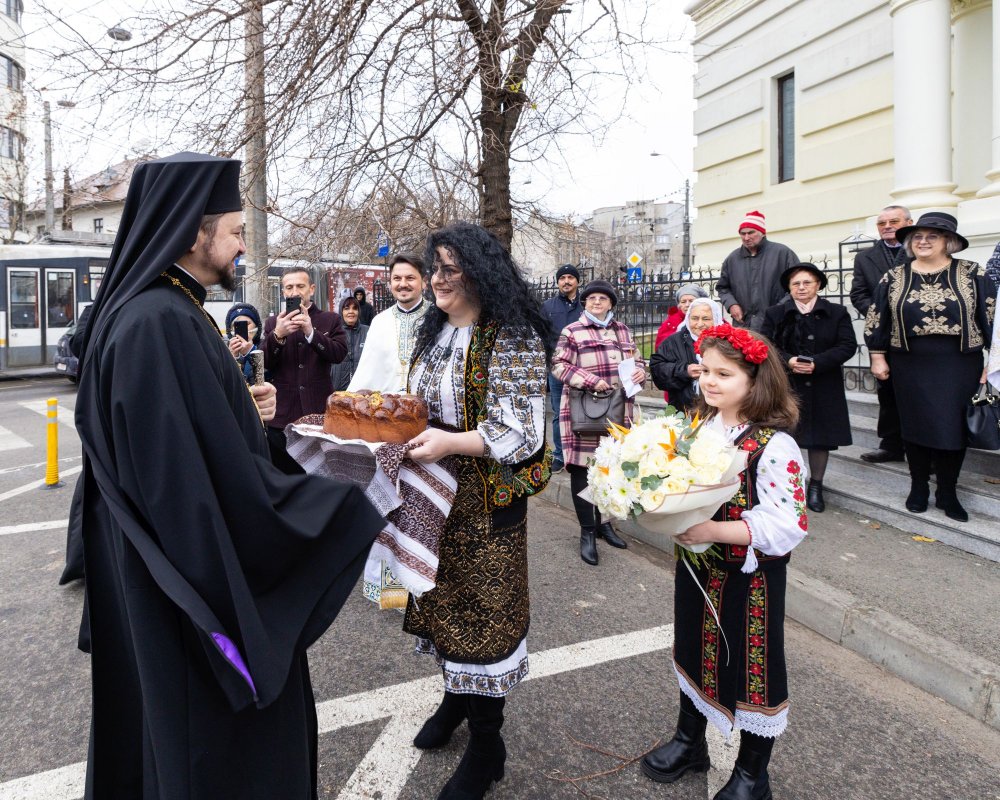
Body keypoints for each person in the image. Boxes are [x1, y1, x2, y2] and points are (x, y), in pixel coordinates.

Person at [72, 152, 384, 799]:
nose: (243, 245)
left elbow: (179, 445)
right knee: (211, 756)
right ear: (194, 231)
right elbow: (187, 490)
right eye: (236, 230)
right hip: (190, 603)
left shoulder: (163, 311)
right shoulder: (159, 322)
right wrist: (334, 507)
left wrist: (243, 413)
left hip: (163, 582)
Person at [403, 222, 551, 800]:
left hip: (488, 501)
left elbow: (520, 430)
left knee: (483, 616)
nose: (436, 279)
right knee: (440, 605)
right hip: (432, 493)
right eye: (433, 267)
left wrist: (448, 442)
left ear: (479, 273)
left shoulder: (509, 337)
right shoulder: (433, 330)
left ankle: (488, 745)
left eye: (448, 268)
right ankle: (455, 699)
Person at [640, 324, 805, 800]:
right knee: (692, 645)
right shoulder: (696, 427)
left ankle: (753, 774)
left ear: (756, 381)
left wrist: (715, 530)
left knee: (754, 667)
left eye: (724, 374)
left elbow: (787, 524)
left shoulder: (775, 445)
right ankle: (691, 742)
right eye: (706, 370)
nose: (709, 381)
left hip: (750, 579)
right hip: (696, 566)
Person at [865, 211, 996, 522]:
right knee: (915, 425)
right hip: (909, 362)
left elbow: (991, 319)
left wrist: (992, 364)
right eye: (918, 237)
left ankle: (948, 491)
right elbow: (876, 317)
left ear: (947, 242)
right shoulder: (894, 276)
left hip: (959, 362)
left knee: (953, 428)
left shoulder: (973, 273)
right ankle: (918, 487)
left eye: (932, 236)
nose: (923, 241)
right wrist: (877, 355)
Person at [551, 279, 647, 566]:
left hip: (618, 412)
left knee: (610, 470)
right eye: (591, 298)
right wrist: (592, 381)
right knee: (584, 470)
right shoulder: (573, 331)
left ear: (611, 304)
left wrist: (640, 371)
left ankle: (605, 524)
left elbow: (637, 360)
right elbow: (558, 365)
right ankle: (587, 532)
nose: (596, 302)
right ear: (585, 303)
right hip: (584, 411)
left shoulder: (623, 330)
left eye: (602, 299)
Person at [762, 263, 856, 512]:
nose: (801, 288)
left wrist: (818, 363)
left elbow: (847, 345)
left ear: (818, 285)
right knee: (785, 435)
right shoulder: (776, 313)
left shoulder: (837, 312)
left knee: (820, 439)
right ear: (789, 288)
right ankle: (788, 485)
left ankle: (815, 486)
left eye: (807, 282)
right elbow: (766, 345)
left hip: (824, 383)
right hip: (788, 385)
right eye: (796, 284)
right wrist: (789, 361)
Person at [850, 205, 912, 463]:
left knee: (919, 393)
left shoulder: (919, 250)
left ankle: (924, 449)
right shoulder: (865, 257)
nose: (887, 226)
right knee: (887, 393)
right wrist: (880, 313)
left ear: (909, 222)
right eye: (881, 223)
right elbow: (858, 294)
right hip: (883, 336)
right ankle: (891, 445)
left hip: (916, 335)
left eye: (894, 221)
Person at [263, 266, 347, 451]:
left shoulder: (330, 319)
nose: (295, 292)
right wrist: (278, 335)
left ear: (312, 289)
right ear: (283, 291)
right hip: (282, 415)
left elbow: (339, 355)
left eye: (300, 286)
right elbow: (265, 364)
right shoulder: (273, 323)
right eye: (289, 287)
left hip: (318, 412)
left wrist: (311, 333)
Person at [348, 254, 429, 393]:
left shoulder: (438, 316)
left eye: (410, 278)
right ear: (390, 283)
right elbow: (366, 373)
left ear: (424, 282)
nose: (403, 284)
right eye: (397, 278)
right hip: (387, 409)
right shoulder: (380, 322)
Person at [716, 210, 798, 332]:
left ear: (763, 233)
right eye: (742, 234)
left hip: (778, 325)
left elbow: (797, 285)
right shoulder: (732, 259)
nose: (746, 237)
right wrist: (731, 304)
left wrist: (778, 309)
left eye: (751, 232)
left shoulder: (783, 253)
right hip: (744, 326)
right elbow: (723, 288)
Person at [541, 263, 582, 473]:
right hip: (557, 369)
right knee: (559, 412)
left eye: (570, 277)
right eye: (562, 278)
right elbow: (542, 335)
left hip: (583, 369)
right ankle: (559, 455)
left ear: (577, 281)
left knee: (583, 411)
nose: (566, 281)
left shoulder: (586, 306)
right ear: (558, 282)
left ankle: (580, 454)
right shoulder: (548, 307)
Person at [650, 297, 723, 412]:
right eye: (694, 318)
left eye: (706, 318)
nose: (700, 324)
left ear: (716, 319)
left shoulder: (726, 341)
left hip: (720, 411)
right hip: (683, 411)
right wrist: (684, 371)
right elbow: (657, 371)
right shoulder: (673, 342)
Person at [329, 296, 369, 391]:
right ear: (341, 311)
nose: (351, 311)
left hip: (362, 391)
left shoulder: (368, 332)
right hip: (338, 391)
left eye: (354, 308)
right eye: (347, 308)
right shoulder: (333, 332)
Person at [654, 284, 709, 349]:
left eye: (691, 301)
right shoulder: (669, 323)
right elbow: (661, 348)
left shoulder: (711, 318)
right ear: (679, 305)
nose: (687, 305)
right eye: (683, 302)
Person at [226, 302, 264, 384]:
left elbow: (265, 377)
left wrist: (250, 352)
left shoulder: (265, 346)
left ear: (256, 325)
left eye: (247, 324)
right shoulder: (225, 349)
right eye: (236, 325)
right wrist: (232, 358)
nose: (244, 329)